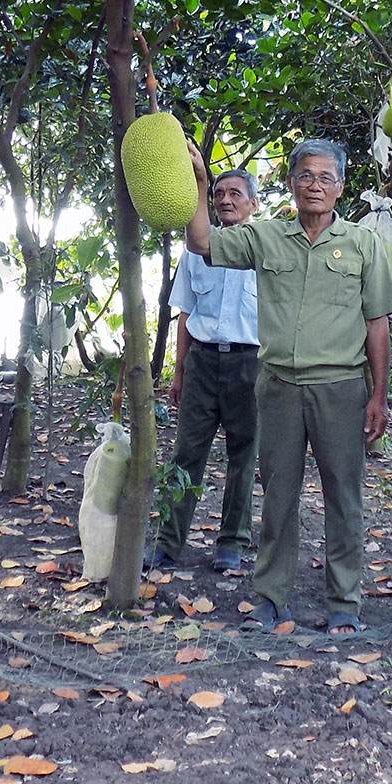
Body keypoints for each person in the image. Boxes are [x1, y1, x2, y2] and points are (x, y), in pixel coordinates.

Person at [185, 139, 392, 635]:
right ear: (291, 183)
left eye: (326, 177)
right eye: (306, 176)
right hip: (278, 386)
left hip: (341, 388)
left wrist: (378, 394)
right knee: (278, 495)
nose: (315, 186)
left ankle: (344, 602)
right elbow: (202, 242)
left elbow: (377, 323)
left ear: (341, 186)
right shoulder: (266, 238)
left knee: (344, 497)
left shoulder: (364, 246)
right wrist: (199, 183)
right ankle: (270, 597)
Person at [146, 170, 261, 574]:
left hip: (250, 364)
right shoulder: (195, 250)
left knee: (243, 455)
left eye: (236, 193)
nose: (226, 200)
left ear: (253, 204)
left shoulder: (265, 249)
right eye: (219, 193)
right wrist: (179, 372)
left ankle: (232, 541)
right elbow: (185, 313)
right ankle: (167, 542)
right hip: (202, 362)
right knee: (187, 452)